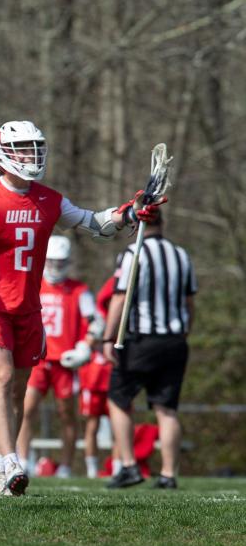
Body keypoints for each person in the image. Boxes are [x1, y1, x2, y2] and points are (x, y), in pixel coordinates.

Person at [0, 120, 163, 495]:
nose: (31, 155)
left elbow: (94, 223)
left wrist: (129, 212)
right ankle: (12, 460)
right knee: (0, 380)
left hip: (29, 309)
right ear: (2, 153)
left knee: (18, 392)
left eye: (35, 148)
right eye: (23, 149)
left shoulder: (49, 199)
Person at [103, 210, 195, 490]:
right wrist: (184, 331)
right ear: (162, 222)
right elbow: (190, 303)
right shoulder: (181, 255)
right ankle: (168, 474)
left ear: (137, 225)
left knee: (118, 400)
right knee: (166, 409)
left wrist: (107, 338)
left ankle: (129, 466)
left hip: (141, 340)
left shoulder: (134, 253)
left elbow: (120, 297)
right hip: (175, 339)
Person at [16, 235, 102, 477]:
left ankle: (65, 465)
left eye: (60, 262)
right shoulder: (32, 284)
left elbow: (96, 323)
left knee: (67, 415)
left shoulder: (79, 290)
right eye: (51, 261)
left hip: (65, 361)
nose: (55, 267)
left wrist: (85, 347)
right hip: (36, 359)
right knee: (25, 409)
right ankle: (22, 459)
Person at [80, 269, 118, 478]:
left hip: (113, 377)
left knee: (118, 424)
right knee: (92, 425)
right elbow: (88, 341)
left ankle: (120, 465)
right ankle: (92, 469)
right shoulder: (98, 319)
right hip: (94, 380)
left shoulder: (124, 320)